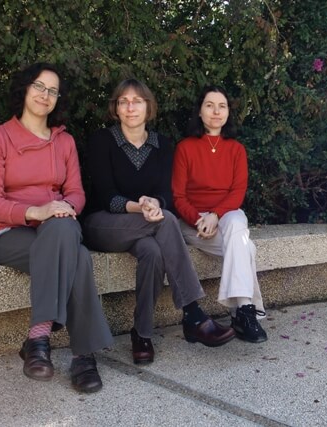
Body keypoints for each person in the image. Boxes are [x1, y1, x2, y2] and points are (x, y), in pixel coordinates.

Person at [0, 63, 113, 393]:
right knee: (77, 257)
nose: (45, 95)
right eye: (39, 86)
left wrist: (66, 208)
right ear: (24, 89)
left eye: (52, 90)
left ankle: (38, 339)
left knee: (64, 231)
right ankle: (83, 355)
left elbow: (77, 192)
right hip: (9, 233)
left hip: (57, 229)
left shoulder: (63, 141)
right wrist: (37, 210)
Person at [83, 78, 235, 365]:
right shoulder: (102, 140)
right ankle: (192, 311)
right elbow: (105, 195)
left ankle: (141, 334)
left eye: (137, 101)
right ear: (115, 108)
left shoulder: (162, 145)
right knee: (166, 221)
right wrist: (140, 207)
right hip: (102, 224)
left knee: (153, 251)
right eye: (123, 101)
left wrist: (156, 204)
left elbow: (166, 194)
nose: (130, 107)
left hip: (148, 223)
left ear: (148, 107)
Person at [172, 85, 267, 343]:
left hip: (226, 218)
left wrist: (215, 214)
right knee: (246, 248)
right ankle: (244, 313)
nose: (216, 111)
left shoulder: (236, 150)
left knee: (236, 219)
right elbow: (178, 196)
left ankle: (244, 311)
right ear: (200, 112)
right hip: (194, 223)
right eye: (209, 105)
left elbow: (237, 193)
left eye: (221, 106)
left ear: (227, 114)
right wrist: (199, 219)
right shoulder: (185, 148)